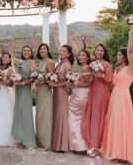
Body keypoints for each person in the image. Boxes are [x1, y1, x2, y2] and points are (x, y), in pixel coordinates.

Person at [101, 28, 133, 163]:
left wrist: (130, 36)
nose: (117, 56)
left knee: (122, 124)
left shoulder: (130, 69)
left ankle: (125, 154)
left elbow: (131, 51)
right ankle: (116, 153)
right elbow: (111, 84)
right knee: (114, 124)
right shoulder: (117, 69)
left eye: (119, 55)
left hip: (123, 97)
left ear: (125, 57)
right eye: (117, 55)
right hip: (114, 97)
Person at [80, 42, 112, 157]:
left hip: (102, 92)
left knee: (98, 119)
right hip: (93, 91)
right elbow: (84, 54)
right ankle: (93, 145)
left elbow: (110, 81)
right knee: (91, 117)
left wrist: (101, 75)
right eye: (97, 50)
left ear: (105, 53)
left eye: (101, 50)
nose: (99, 52)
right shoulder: (94, 62)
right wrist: (84, 43)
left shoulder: (106, 64)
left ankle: (96, 147)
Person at [8, 38, 37, 149]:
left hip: (25, 90)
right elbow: (12, 58)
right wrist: (10, 47)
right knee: (19, 113)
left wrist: (23, 82)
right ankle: (20, 139)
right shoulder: (21, 62)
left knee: (25, 114)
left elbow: (33, 78)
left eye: (28, 51)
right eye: (24, 50)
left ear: (31, 53)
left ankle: (27, 140)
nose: (26, 52)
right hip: (18, 91)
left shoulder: (32, 62)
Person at [49, 22, 73, 152]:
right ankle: (56, 143)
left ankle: (62, 145)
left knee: (61, 115)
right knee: (57, 115)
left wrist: (56, 84)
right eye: (61, 50)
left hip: (62, 93)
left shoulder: (67, 64)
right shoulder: (61, 62)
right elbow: (58, 44)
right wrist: (56, 32)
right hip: (56, 93)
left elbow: (68, 82)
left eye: (64, 51)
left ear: (68, 54)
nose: (61, 52)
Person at [68, 49, 92, 153]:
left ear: (87, 58)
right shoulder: (80, 67)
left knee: (73, 119)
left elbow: (89, 83)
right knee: (78, 121)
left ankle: (79, 146)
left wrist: (76, 83)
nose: (81, 57)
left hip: (81, 96)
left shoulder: (86, 67)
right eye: (79, 55)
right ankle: (78, 145)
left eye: (83, 55)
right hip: (76, 95)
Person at [34, 41, 56, 150]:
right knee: (39, 116)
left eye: (44, 48)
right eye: (40, 49)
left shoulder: (50, 62)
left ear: (48, 50)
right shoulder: (41, 62)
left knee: (45, 116)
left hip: (45, 91)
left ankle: (46, 143)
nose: (42, 50)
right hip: (38, 92)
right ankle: (39, 141)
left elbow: (52, 79)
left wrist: (41, 82)